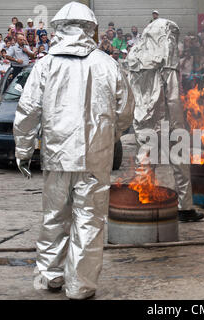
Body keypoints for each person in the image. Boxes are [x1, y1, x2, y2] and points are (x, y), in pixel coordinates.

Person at [13, 2, 135, 300]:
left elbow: (28, 111)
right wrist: (107, 137)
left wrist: (24, 148)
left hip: (56, 155)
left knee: (54, 216)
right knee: (89, 220)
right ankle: (80, 286)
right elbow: (126, 111)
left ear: (58, 28)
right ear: (90, 28)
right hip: (96, 157)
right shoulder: (107, 64)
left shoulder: (45, 65)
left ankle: (50, 276)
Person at [128, 18, 204, 222]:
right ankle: (184, 207)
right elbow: (172, 98)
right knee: (179, 160)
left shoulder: (134, 58)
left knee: (145, 159)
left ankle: (143, 204)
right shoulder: (167, 66)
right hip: (169, 120)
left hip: (143, 117)